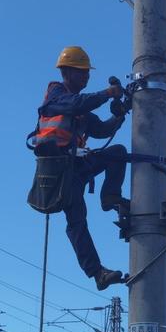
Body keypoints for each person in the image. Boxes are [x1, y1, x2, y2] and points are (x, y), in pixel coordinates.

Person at [33, 46, 130, 291]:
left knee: (117, 153)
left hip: (77, 166)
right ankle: (97, 273)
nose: (86, 77)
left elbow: (101, 131)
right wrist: (108, 93)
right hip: (58, 171)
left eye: (87, 73)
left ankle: (110, 197)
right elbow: (75, 104)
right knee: (77, 220)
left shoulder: (80, 108)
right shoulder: (56, 95)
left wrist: (119, 115)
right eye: (82, 72)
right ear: (67, 72)